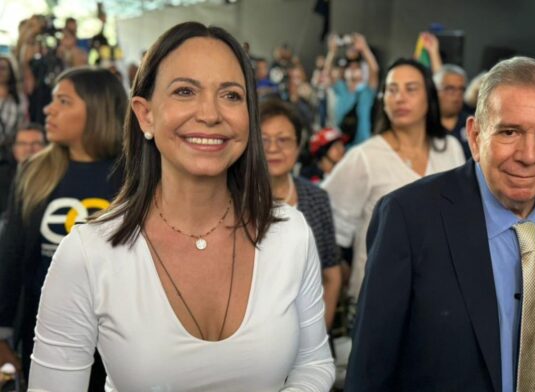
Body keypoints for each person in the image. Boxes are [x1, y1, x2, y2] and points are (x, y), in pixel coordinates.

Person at [24, 22, 334, 391]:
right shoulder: (88, 254)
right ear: (145, 114)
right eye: (185, 91)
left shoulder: (289, 233)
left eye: (231, 95)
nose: (210, 113)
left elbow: (313, 363)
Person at [345, 56, 535, 391]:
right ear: (474, 136)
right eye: (510, 132)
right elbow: (370, 370)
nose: (529, 155)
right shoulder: (408, 217)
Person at [0, 67, 125, 386]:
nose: (48, 109)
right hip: (45, 334)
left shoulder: (136, 176)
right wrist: (2, 334)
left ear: (97, 110)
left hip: (120, 339)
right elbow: (10, 257)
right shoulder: (36, 172)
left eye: (64, 101)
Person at [322, 58, 464, 303]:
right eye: (392, 89)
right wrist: (336, 274)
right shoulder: (365, 157)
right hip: (378, 297)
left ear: (428, 97)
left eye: (410, 89)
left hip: (438, 296)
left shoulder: (449, 148)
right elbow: (323, 217)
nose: (399, 98)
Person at [260, 98, 342, 330]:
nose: (273, 148)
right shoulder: (233, 201)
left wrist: (317, 338)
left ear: (298, 145)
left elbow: (331, 275)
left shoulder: (316, 198)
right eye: (263, 140)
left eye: (283, 140)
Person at [322, 33, 379, 146]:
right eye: (350, 68)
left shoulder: (365, 92)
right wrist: (332, 52)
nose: (353, 71)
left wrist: (364, 48)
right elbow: (326, 74)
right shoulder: (340, 88)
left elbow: (375, 70)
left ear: (362, 72)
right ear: (345, 72)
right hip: (342, 146)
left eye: (356, 68)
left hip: (363, 144)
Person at [0, 123, 46, 217]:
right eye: (22, 144)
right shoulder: (2, 175)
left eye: (36, 143)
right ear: (14, 149)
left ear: (46, 147)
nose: (29, 149)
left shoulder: (59, 176)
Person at [434, 63, 472, 158]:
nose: (457, 94)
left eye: (461, 89)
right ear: (435, 91)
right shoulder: (423, 128)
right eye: (450, 89)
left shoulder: (473, 125)